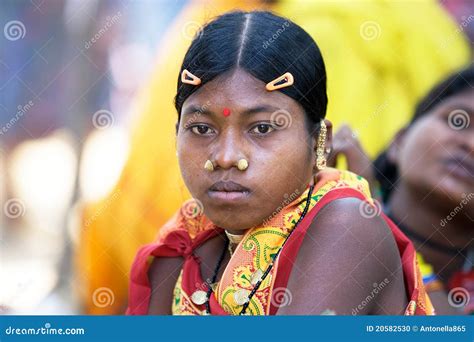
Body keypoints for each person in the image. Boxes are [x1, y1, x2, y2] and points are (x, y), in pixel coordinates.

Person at [126, 10, 433, 315]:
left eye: (262, 128)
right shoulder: (186, 237)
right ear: (176, 134)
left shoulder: (347, 224)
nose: (226, 156)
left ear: (317, 142)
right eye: (202, 129)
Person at [373, 65, 474, 314]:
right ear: (399, 140)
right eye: (458, 120)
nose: (471, 145)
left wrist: (374, 224)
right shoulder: (308, 217)